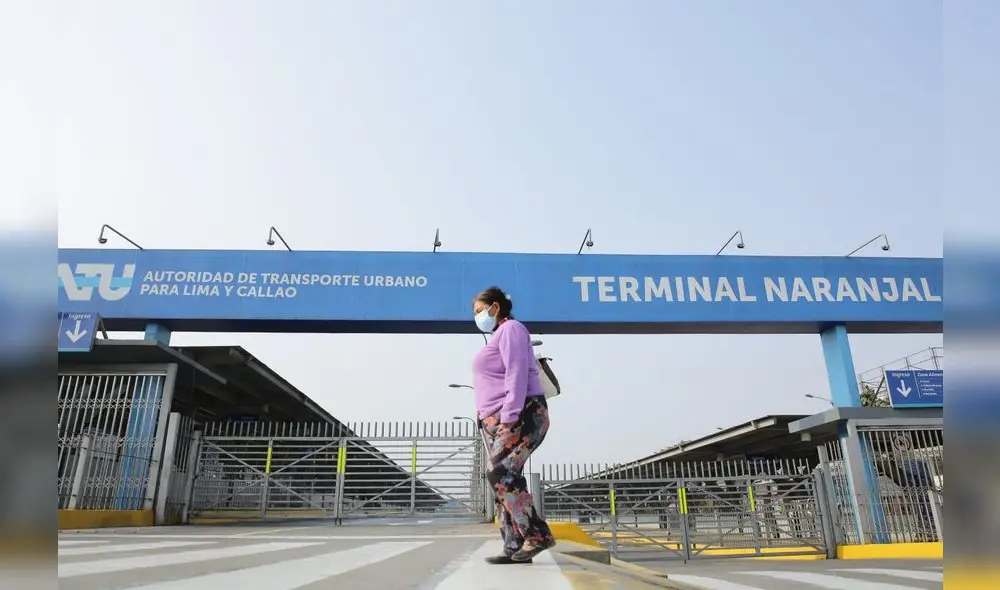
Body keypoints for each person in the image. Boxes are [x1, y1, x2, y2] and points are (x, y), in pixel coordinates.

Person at [471, 286, 555, 564]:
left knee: (499, 473)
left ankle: (537, 535)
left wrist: (508, 416)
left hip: (522, 412)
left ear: (495, 307)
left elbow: (516, 372)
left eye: (479, 311)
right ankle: (514, 544)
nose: (478, 317)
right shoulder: (499, 335)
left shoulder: (512, 329)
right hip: (500, 417)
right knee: (502, 480)